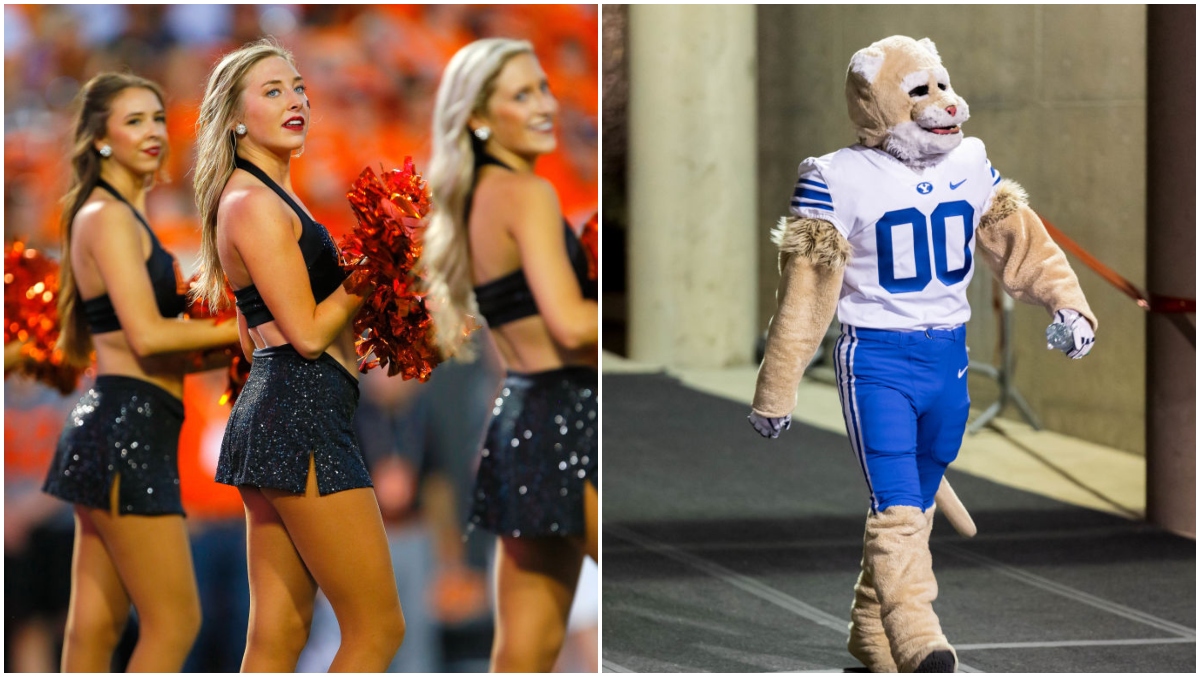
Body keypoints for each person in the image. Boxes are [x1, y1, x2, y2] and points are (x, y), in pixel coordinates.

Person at [190, 38, 404, 672]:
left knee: (278, 636)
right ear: (233, 117)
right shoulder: (253, 202)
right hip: (302, 416)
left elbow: (251, 332)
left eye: (300, 87)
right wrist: (375, 266)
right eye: (274, 91)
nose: (296, 101)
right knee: (377, 630)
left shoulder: (264, 196)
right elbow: (309, 335)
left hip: (283, 411)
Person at [43, 72, 239, 671]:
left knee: (93, 632)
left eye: (157, 118)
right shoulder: (108, 218)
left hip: (114, 427)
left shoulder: (118, 215)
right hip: (127, 432)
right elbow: (149, 337)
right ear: (99, 139)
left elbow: (156, 343)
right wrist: (248, 329)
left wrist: (228, 346)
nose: (154, 131)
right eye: (134, 121)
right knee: (175, 622)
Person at [422, 37, 598, 672]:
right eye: (521, 95)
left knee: (521, 657)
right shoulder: (527, 193)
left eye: (545, 87)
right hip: (569, 418)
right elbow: (574, 326)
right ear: (477, 116)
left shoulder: (478, 197)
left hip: (520, 421)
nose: (545, 105)